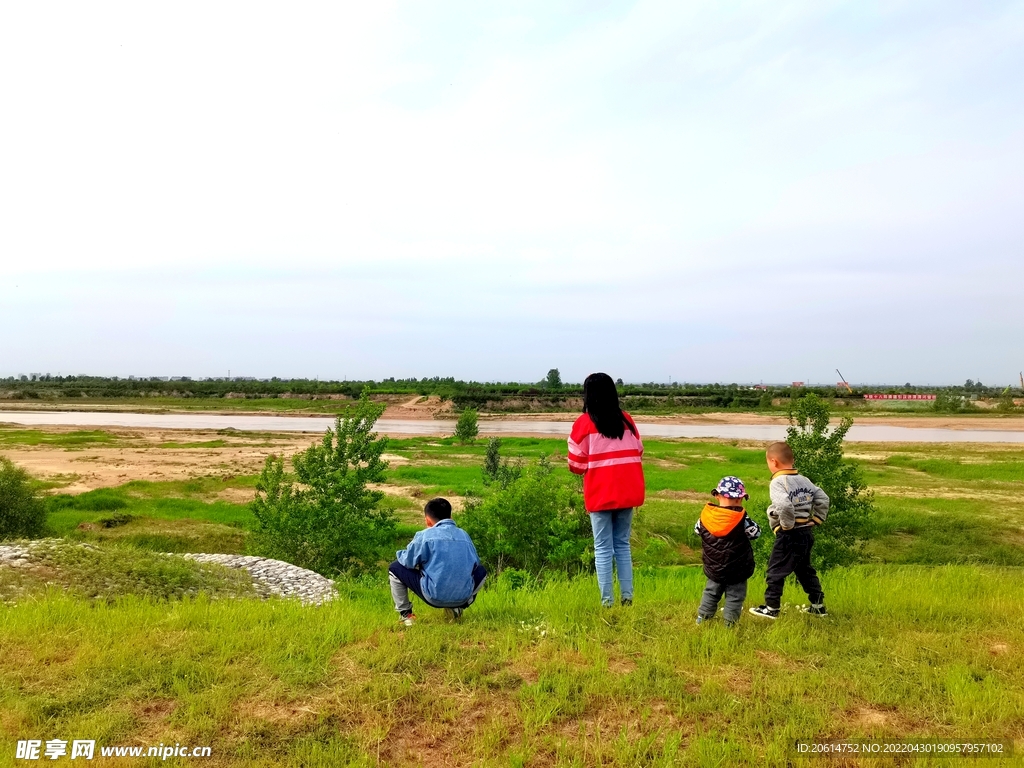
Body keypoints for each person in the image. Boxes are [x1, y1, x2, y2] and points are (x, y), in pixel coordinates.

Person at [567, 372, 645, 607]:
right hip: (628, 492)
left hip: (600, 493)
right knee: (622, 545)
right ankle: (627, 598)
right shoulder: (627, 420)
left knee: (602, 548)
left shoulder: (584, 423)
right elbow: (639, 451)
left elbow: (576, 465)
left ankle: (607, 602)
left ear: (588, 395)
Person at [749, 441, 830, 619]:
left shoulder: (778, 482)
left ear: (774, 461)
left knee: (775, 571)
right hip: (806, 532)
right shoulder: (804, 480)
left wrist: (786, 526)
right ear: (792, 460)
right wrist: (817, 519)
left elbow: (785, 505)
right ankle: (818, 606)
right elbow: (823, 498)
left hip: (790, 534)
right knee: (805, 570)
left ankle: (772, 608)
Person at [388, 497, 487, 626]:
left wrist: (402, 554)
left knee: (395, 567)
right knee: (482, 571)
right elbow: (475, 564)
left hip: (433, 596)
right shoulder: (464, 535)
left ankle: (406, 616)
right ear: (450, 516)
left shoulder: (425, 535)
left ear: (427, 520)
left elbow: (408, 561)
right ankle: (457, 607)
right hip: (463, 597)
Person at [695, 476, 761, 627]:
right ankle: (729, 624)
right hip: (737, 567)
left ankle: (702, 618)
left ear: (717, 495)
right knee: (735, 596)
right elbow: (756, 533)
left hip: (714, 566)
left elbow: (697, 530)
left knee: (711, 591)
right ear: (740, 499)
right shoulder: (742, 518)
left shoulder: (706, 516)